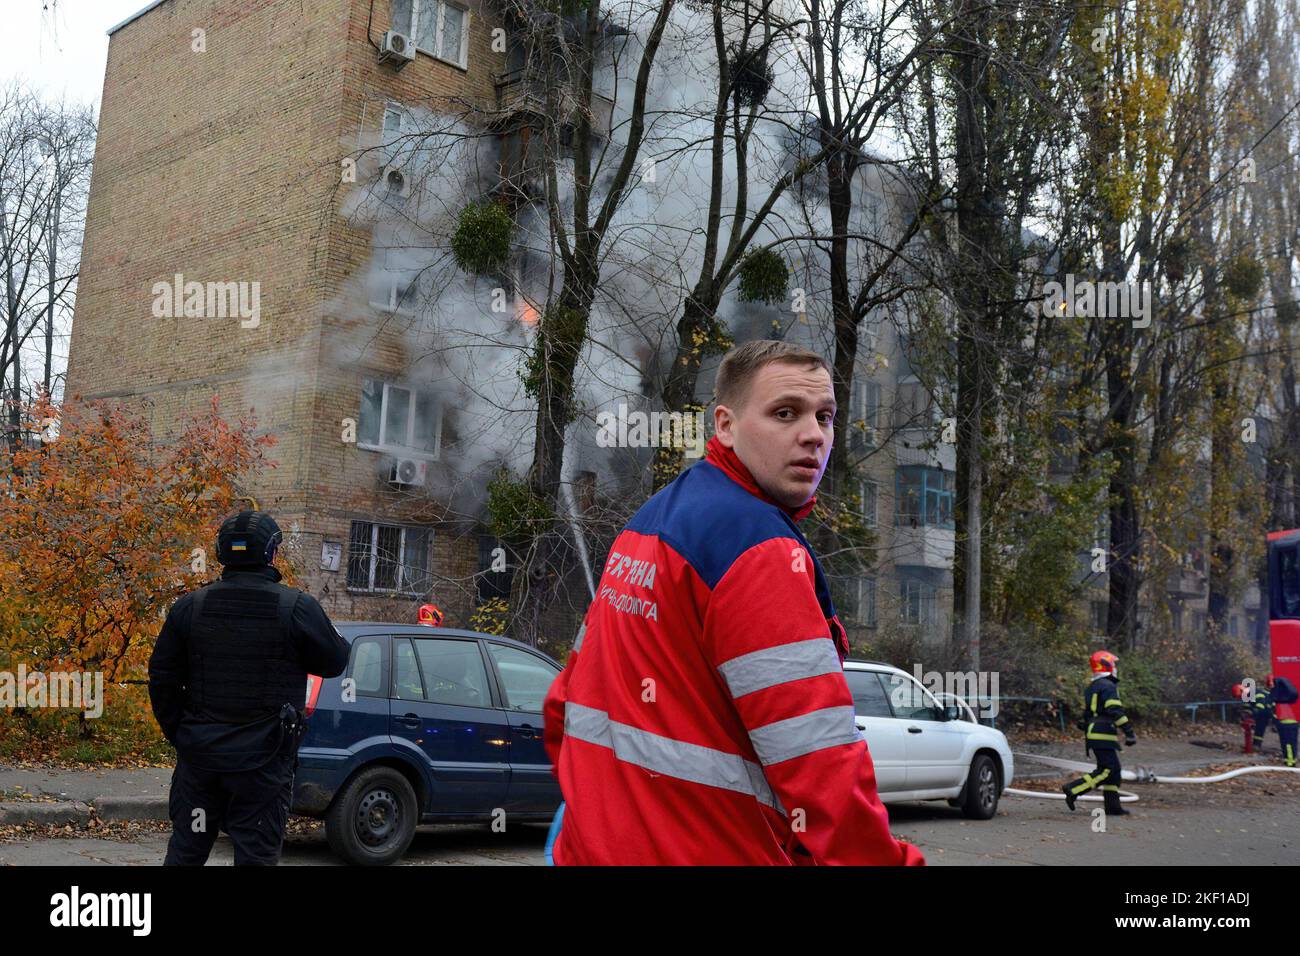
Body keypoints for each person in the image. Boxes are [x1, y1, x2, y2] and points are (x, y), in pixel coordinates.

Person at [542, 339, 924, 865]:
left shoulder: (647, 523)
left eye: (826, 416)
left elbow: (565, 706)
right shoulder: (758, 548)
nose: (814, 434)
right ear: (724, 425)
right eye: (785, 413)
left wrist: (595, 818)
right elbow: (820, 766)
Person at [149, 510, 349, 865]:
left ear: (222, 553)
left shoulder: (189, 608)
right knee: (256, 857)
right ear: (271, 553)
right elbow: (334, 662)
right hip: (263, 765)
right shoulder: (297, 608)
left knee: (186, 852)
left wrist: (182, 734)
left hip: (201, 762)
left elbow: (162, 679)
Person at [1062, 649, 1135, 816]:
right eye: (1113, 664)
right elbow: (1114, 709)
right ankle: (1073, 789)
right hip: (1103, 733)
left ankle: (1112, 806)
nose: (1115, 667)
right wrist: (1129, 731)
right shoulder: (1109, 686)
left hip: (1096, 732)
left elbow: (1088, 713)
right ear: (1106, 665)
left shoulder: (1093, 686)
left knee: (1114, 770)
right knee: (1106, 770)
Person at [1271, 675, 1299, 767]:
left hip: (1285, 724)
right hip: (1294, 723)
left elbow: (1274, 711)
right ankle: (1291, 759)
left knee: (1287, 744)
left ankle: (1290, 761)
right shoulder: (1290, 696)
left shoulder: (1277, 697)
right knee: (1292, 743)